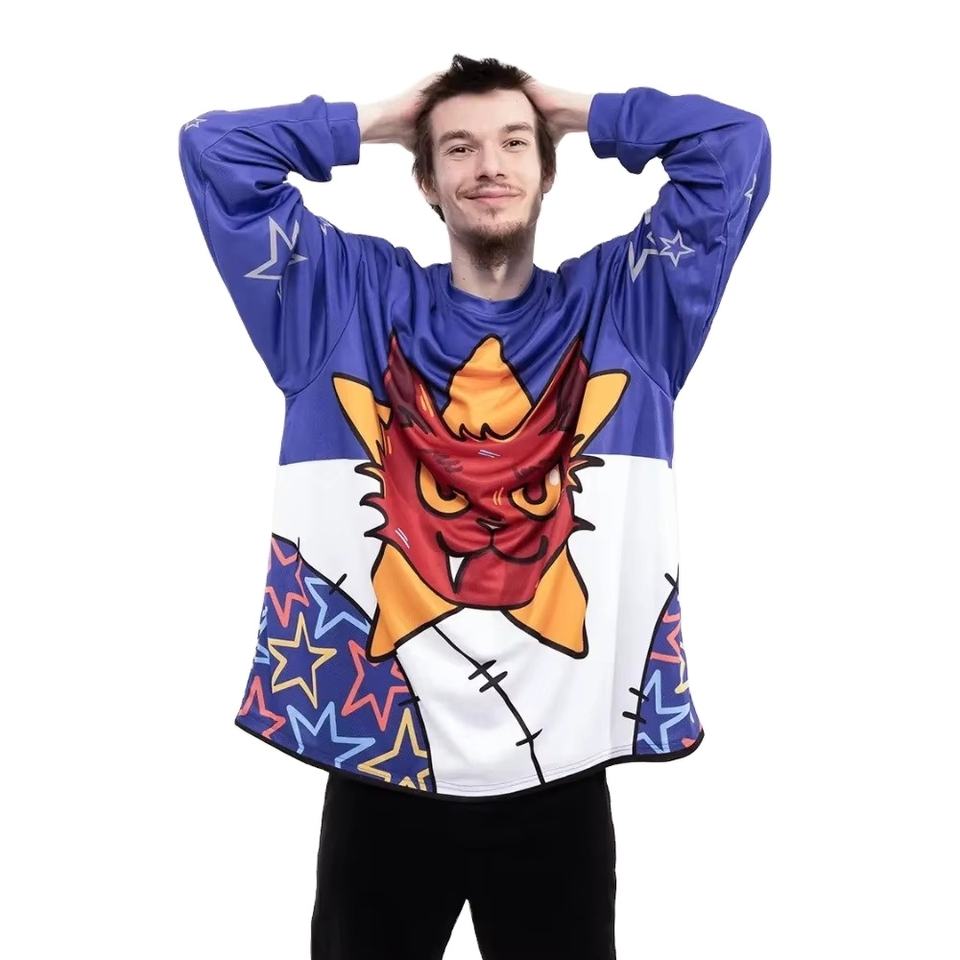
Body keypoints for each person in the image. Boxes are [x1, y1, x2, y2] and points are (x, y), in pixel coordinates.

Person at [179, 54, 770, 960]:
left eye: (513, 145)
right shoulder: (343, 303)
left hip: (560, 771)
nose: (489, 165)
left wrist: (579, 111)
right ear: (425, 180)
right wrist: (380, 119)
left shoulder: (629, 310)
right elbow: (214, 151)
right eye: (458, 148)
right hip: (380, 761)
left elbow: (736, 147)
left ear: (548, 168)